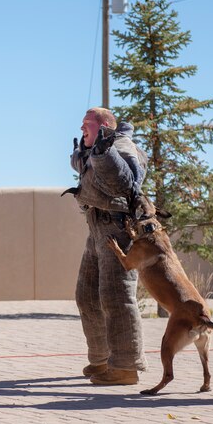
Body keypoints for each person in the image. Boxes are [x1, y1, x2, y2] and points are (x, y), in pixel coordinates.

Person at [67, 107, 148, 385]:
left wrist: (104, 153)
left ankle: (125, 367)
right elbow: (85, 167)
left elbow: (128, 183)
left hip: (117, 228)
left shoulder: (123, 147)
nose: (81, 129)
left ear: (103, 126)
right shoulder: (97, 148)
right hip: (97, 227)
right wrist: (85, 154)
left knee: (117, 296)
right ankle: (102, 360)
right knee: (87, 295)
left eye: (86, 124)